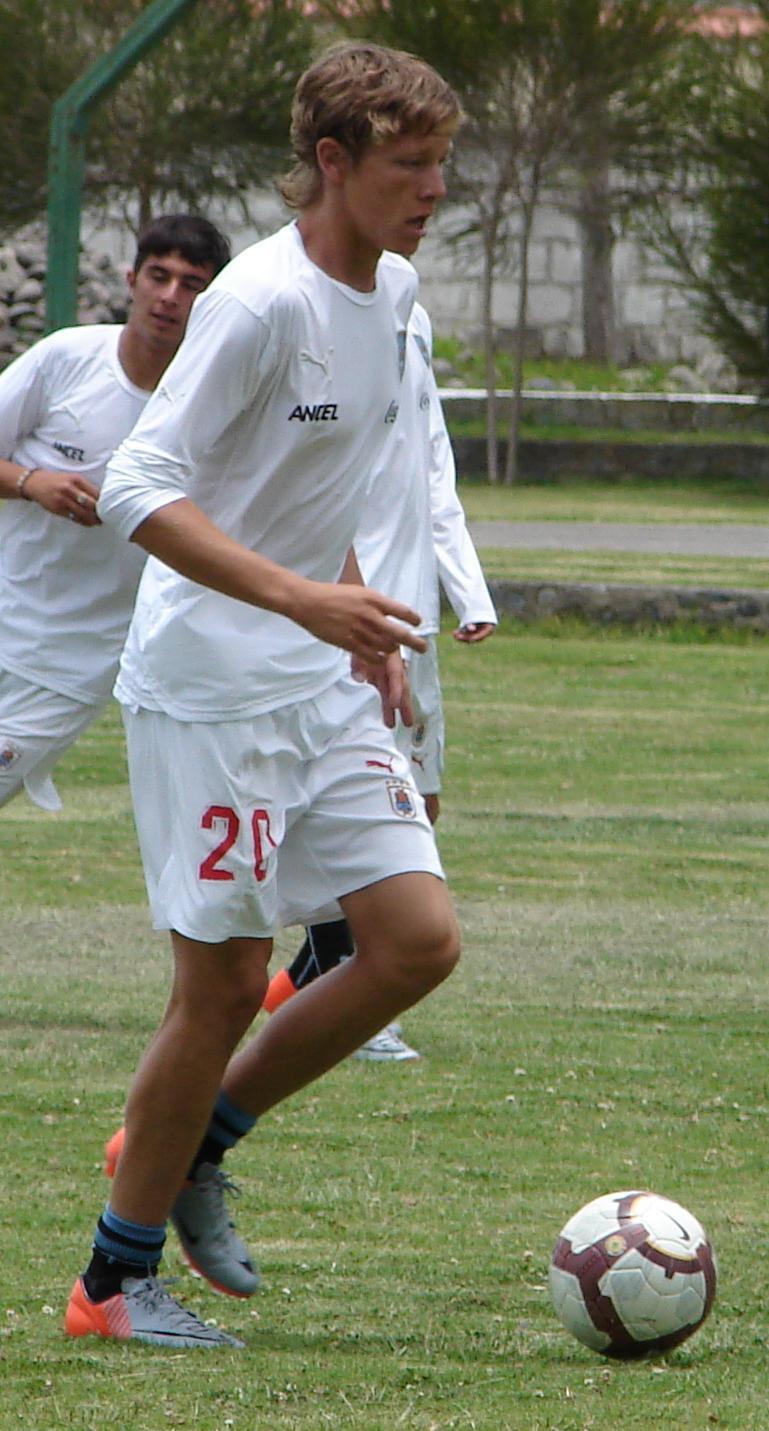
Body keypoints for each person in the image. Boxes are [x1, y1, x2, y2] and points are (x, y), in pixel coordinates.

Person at [64, 41, 463, 1350]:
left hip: (317, 675)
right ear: (332, 162)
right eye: (410, 165)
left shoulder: (393, 290)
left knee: (411, 940)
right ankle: (112, 1284)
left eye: (441, 164)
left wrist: (354, 617)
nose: (433, 190)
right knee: (227, 981)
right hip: (211, 691)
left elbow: (315, 484)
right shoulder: (258, 302)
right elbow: (136, 487)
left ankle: (196, 1140)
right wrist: (302, 601)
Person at [263, 300, 497, 1061]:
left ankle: (308, 982)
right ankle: (357, 1005)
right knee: (359, 804)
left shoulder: (412, 316)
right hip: (342, 611)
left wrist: (467, 586)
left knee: (419, 805)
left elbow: (431, 461)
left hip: (410, 611)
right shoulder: (301, 315)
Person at [0, 214, 231, 813]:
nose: (170, 296)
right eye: (159, 276)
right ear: (132, 279)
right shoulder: (67, 358)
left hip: (71, 663)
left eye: (192, 285)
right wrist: (31, 483)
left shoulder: (212, 404)